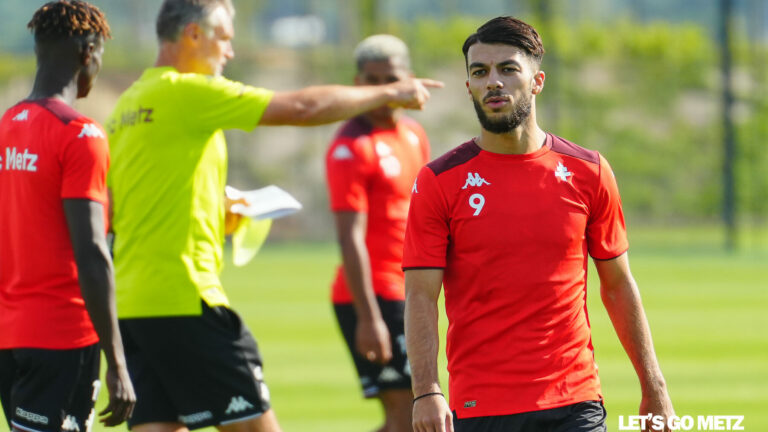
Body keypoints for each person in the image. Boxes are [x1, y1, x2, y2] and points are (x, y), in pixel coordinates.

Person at [106, 1, 441, 431]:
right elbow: (302, 108)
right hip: (184, 297)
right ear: (193, 35)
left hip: (130, 307)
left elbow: (125, 208)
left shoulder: (125, 108)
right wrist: (390, 92)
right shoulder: (185, 92)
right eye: (224, 38)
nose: (229, 51)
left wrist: (217, 213)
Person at [403, 16, 675, 432]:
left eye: (508, 69)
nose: (493, 82)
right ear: (469, 86)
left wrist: (654, 385)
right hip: (481, 406)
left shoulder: (589, 171)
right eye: (480, 72)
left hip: (574, 402)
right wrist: (426, 390)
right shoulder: (439, 181)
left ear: (537, 81)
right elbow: (421, 295)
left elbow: (618, 285)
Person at [0, 2, 136, 431]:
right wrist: (117, 361)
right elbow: (92, 252)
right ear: (88, 52)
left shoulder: (7, 127)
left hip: (9, 336)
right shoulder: (80, 135)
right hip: (61, 338)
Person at [325, 34, 430, 432]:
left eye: (391, 79)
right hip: (374, 297)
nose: (383, 89)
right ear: (357, 84)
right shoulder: (350, 146)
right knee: (407, 416)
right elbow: (349, 237)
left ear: (409, 79)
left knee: (411, 417)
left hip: (410, 292)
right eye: (372, 81)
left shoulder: (414, 134)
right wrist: (369, 318)